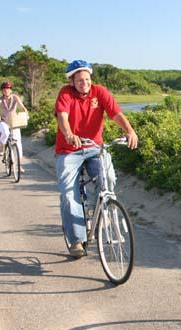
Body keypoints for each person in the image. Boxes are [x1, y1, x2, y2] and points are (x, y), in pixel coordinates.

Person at [54, 60, 138, 258]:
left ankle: (101, 209)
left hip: (93, 147)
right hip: (69, 150)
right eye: (80, 80)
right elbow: (62, 117)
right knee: (68, 194)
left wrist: (130, 131)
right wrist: (68, 134)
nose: (85, 83)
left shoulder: (99, 92)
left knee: (108, 177)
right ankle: (76, 240)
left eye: (87, 79)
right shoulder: (65, 93)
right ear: (72, 81)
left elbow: (115, 113)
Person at [0, 81, 28, 172]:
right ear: (2, 91)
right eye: (4, 89)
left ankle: (19, 166)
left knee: (18, 143)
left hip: (14, 122)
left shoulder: (15, 97)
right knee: (5, 132)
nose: (6, 91)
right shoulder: (0, 99)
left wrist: (26, 114)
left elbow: (22, 107)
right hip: (3, 122)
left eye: (7, 89)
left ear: (11, 90)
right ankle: (2, 148)